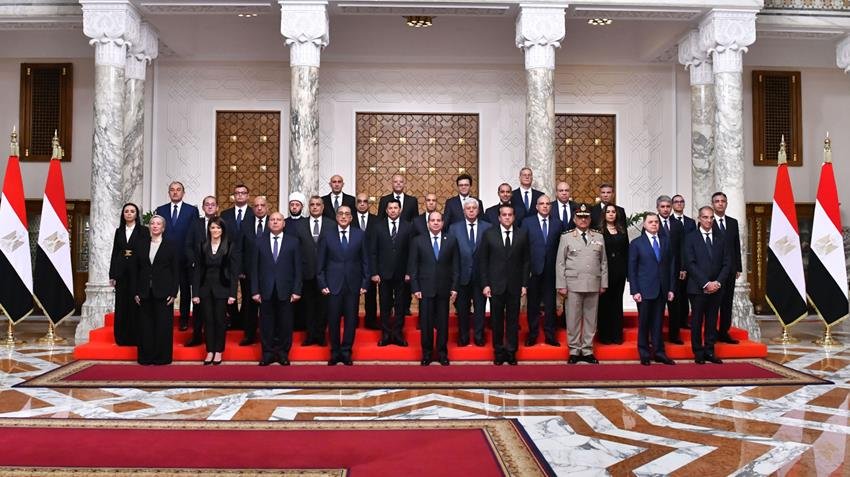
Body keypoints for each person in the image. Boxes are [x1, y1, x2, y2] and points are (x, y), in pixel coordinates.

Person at [318, 206, 370, 366]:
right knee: (333, 320)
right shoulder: (327, 235)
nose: (343, 216)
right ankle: (335, 352)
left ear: (351, 218)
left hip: (353, 284)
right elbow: (320, 262)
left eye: (347, 214)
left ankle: (346, 351)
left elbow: (365, 260)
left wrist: (365, 282)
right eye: (340, 213)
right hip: (332, 284)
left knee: (351, 320)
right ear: (336, 217)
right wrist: (322, 283)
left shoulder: (360, 235)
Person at [556, 204, 607, 363]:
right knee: (573, 319)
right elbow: (560, 263)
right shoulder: (566, 237)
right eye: (580, 217)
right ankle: (574, 351)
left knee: (591, 319)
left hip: (593, 283)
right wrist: (561, 285)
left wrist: (603, 283)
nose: (583, 220)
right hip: (573, 284)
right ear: (574, 219)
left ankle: (587, 350)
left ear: (590, 219)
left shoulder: (598, 237)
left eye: (586, 217)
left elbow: (603, 262)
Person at [479, 204, 530, 365]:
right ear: (499, 217)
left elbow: (526, 261)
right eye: (504, 215)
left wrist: (524, 284)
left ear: (514, 217)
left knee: (513, 321)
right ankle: (499, 352)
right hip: (495, 285)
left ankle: (511, 352)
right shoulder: (489, 234)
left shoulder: (522, 234)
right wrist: (485, 284)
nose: (507, 217)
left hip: (515, 285)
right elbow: (483, 261)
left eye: (510, 215)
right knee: (496, 321)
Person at [408, 211, 459, 365]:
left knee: (443, 324)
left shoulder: (451, 240)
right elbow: (413, 266)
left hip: (444, 288)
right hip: (425, 289)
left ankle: (442, 354)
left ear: (443, 223)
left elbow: (456, 266)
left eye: (438, 220)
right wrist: (415, 287)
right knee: (426, 324)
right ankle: (427, 354)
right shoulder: (418, 241)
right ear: (428, 223)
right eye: (433, 220)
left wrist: (454, 287)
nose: (436, 223)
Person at [251, 212, 302, 366]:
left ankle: (283, 353)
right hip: (265, 290)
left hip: (286, 290)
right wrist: (255, 290)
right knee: (266, 324)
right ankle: (267, 353)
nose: (275, 222)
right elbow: (254, 268)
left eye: (278, 219)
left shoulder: (293, 242)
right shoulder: (259, 242)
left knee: (285, 324)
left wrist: (297, 290)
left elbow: (298, 268)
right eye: (272, 219)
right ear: (268, 223)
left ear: (283, 223)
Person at [628, 212, 676, 366]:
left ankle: (659, 353)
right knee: (644, 323)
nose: (654, 224)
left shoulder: (666, 241)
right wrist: (635, 290)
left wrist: (671, 288)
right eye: (651, 222)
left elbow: (671, 266)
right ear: (644, 224)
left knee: (658, 323)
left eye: (656, 222)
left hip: (662, 289)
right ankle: (644, 353)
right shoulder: (636, 243)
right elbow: (632, 269)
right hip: (644, 290)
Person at [191, 217, 239, 365]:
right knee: (208, 321)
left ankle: (218, 351)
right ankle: (210, 351)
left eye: (218, 228)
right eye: (212, 227)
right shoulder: (202, 246)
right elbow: (197, 270)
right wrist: (195, 293)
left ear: (223, 230)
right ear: (209, 229)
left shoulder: (230, 246)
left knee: (220, 321)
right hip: (205, 289)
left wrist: (232, 294)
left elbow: (233, 272)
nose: (215, 230)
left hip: (223, 289)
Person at [685, 206, 730, 364]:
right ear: (699, 219)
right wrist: (705, 283)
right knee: (697, 321)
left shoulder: (721, 238)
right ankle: (698, 352)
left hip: (717, 288)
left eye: (711, 217)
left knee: (712, 321)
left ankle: (710, 351)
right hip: (697, 288)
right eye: (705, 217)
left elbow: (727, 263)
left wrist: (717, 282)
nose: (709, 220)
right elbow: (690, 263)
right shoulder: (690, 238)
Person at [134, 215, 179, 365]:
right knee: (145, 326)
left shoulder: (171, 245)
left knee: (163, 326)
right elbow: (136, 270)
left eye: (158, 224)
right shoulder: (141, 244)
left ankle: (162, 357)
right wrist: (136, 291)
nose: (155, 226)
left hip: (164, 292)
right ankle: (146, 357)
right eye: (152, 223)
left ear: (163, 228)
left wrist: (173, 292)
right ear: (149, 227)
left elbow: (175, 271)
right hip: (144, 291)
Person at [154, 181, 199, 331]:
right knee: (166, 289)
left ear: (183, 193)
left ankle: (184, 319)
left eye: (178, 190)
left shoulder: (191, 210)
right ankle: (165, 318)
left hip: (185, 258)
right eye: (172, 190)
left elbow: (194, 234)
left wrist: (192, 256)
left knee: (185, 290)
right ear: (169, 193)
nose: (175, 192)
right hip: (166, 259)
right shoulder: (161, 209)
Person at [370, 198, 413, 346]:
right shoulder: (378, 227)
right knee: (385, 305)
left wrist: (409, 272)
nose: (393, 210)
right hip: (383, 274)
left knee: (401, 305)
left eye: (396, 208)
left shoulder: (408, 227)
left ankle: (398, 334)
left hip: (402, 273)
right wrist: (374, 272)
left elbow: (411, 252)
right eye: (390, 208)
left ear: (400, 210)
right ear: (386, 210)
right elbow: (373, 252)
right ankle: (386, 334)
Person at [448, 199, 491, 347]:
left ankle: (479, 337)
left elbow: (490, 254)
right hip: (461, 277)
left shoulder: (488, 227)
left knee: (480, 310)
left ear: (478, 210)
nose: (471, 210)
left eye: (474, 208)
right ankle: (463, 337)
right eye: (468, 208)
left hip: (481, 277)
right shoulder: (454, 228)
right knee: (462, 310)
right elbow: (451, 254)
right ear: (464, 211)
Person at [521, 194, 562, 347]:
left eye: (547, 204)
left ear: (551, 206)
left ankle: (550, 335)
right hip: (533, 271)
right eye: (542, 204)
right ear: (536, 206)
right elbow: (523, 247)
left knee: (551, 305)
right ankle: (533, 334)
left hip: (551, 271)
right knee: (533, 305)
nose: (545, 206)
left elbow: (561, 247)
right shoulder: (527, 222)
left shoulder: (558, 223)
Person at [296, 196, 335, 345]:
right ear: (309, 207)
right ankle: (310, 336)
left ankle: (320, 335)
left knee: (323, 307)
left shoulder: (332, 225)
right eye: (312, 204)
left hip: (326, 274)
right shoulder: (300, 225)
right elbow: (296, 250)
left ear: (323, 207)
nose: (315, 207)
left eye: (318, 204)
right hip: (307, 272)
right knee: (308, 306)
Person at [109, 203, 148, 346]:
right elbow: (115, 252)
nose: (129, 213)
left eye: (132, 211)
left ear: (136, 214)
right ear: (123, 214)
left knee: (135, 303)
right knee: (121, 304)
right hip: (121, 272)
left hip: (137, 271)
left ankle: (136, 337)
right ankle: (121, 337)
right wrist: (112, 274)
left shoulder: (143, 231)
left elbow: (146, 252)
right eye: (126, 211)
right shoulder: (119, 231)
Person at [183, 195, 219, 347]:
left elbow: (227, 244)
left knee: (216, 304)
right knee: (198, 304)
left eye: (213, 204)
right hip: (198, 270)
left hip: (217, 271)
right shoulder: (195, 223)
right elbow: (188, 244)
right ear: (203, 207)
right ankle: (197, 336)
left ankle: (215, 338)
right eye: (207, 204)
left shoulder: (222, 223)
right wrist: (194, 261)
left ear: (217, 207)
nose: (210, 206)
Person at [220, 184, 254, 331]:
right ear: (234, 196)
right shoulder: (225, 214)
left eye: (243, 193)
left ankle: (246, 322)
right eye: (237, 193)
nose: (240, 195)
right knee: (229, 291)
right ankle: (233, 320)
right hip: (229, 259)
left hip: (248, 260)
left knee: (248, 293)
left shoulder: (254, 213)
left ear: (248, 196)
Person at [238, 195, 269, 346]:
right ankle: (249, 335)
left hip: (269, 273)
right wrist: (240, 269)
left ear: (267, 207)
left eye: (262, 205)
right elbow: (239, 248)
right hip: (249, 273)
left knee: (267, 306)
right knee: (249, 305)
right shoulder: (245, 224)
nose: (259, 208)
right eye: (256, 206)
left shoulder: (274, 222)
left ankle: (267, 336)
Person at [712, 191, 741, 345]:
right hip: (714, 270)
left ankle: (724, 332)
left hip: (730, 269)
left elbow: (736, 246)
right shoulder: (708, 222)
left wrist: (738, 267)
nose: (720, 203)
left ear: (726, 203)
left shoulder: (733, 222)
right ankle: (711, 332)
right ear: (713, 204)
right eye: (717, 201)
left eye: (722, 201)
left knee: (727, 303)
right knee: (713, 303)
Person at [656, 195, 686, 345]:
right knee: (658, 306)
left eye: (668, 206)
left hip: (675, 271)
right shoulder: (652, 222)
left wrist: (683, 267)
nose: (666, 209)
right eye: (662, 207)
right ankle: (656, 336)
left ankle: (675, 336)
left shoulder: (677, 224)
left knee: (675, 305)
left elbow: (682, 247)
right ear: (658, 208)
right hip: (658, 271)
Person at [596, 204, 628, 345]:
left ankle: (617, 335)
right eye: (608, 212)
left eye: (613, 212)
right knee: (605, 304)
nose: (611, 214)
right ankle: (605, 335)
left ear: (616, 214)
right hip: (604, 271)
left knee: (617, 303)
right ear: (604, 214)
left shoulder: (622, 230)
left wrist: (627, 272)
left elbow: (626, 251)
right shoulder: (598, 232)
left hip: (619, 271)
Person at [353, 193, 379, 330]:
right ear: (356, 204)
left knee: (371, 293)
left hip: (371, 263)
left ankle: (371, 321)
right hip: (354, 263)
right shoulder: (350, 219)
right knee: (353, 294)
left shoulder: (377, 220)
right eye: (359, 201)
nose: (362, 204)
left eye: (365, 201)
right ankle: (353, 320)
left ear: (368, 204)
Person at [670, 194, 696, 331]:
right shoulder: (668, 221)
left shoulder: (691, 222)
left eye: (681, 201)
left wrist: (686, 265)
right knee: (675, 294)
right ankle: (675, 322)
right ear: (672, 204)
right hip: (673, 263)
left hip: (689, 262)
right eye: (676, 202)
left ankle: (684, 320)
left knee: (686, 293)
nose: (679, 204)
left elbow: (694, 243)